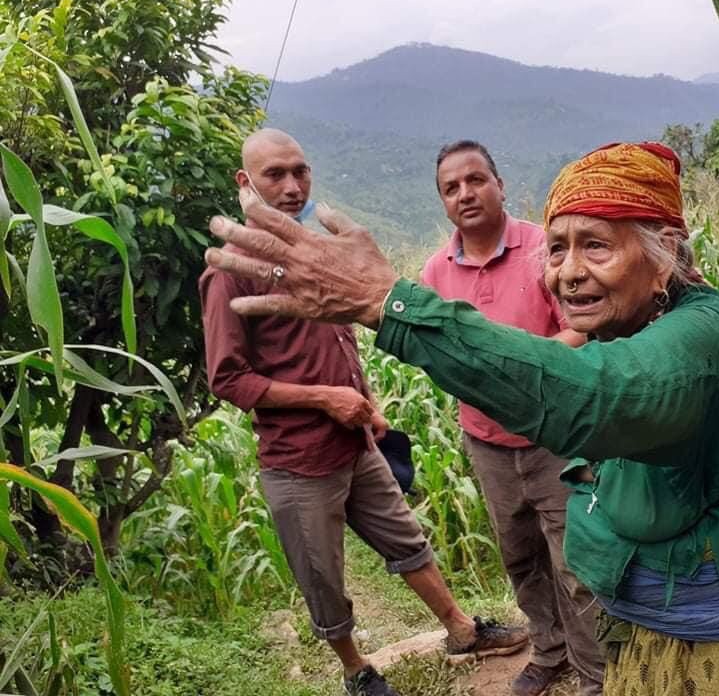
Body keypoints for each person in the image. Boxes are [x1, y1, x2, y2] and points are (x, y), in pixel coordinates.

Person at [205, 141, 719, 696]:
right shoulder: (638, 317)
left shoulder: (692, 341)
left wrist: (385, 304)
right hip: (670, 619)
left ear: (664, 255)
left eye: (595, 246)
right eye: (558, 249)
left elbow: (594, 397)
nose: (566, 272)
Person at [198, 128, 529, 696]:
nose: (292, 185)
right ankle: (356, 671)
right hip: (298, 460)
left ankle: (461, 629)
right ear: (244, 182)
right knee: (322, 575)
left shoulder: (315, 256)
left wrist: (366, 404)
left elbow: (336, 342)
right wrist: (324, 399)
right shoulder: (229, 272)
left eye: (299, 171)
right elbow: (227, 378)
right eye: (274, 174)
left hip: (355, 442)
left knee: (407, 542)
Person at [423, 140, 604, 696]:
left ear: (499, 184)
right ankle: (548, 652)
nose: (465, 193)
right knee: (520, 555)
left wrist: (527, 374)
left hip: (555, 436)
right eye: (451, 187)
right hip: (487, 443)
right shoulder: (436, 272)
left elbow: (582, 326)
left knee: (576, 559)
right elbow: (437, 352)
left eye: (475, 180)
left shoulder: (542, 248)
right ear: (443, 202)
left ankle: (596, 671)